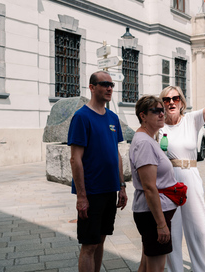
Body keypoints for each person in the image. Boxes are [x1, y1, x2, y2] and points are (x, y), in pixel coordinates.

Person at [158, 72, 205, 272]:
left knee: (198, 229)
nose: (171, 102)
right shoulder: (158, 127)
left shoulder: (191, 120)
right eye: (167, 99)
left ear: (181, 102)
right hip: (167, 183)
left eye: (175, 98)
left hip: (190, 179)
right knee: (173, 232)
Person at [68, 71, 128, 272]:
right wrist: (81, 197)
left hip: (110, 190)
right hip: (91, 192)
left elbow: (116, 154)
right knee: (89, 244)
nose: (110, 88)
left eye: (111, 84)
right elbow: (75, 159)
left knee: (101, 240)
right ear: (92, 87)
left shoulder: (112, 117)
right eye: (104, 84)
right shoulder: (81, 117)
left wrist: (122, 186)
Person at [129, 95, 178, 272]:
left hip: (153, 213)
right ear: (143, 116)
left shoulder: (148, 139)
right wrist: (161, 225)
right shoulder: (144, 143)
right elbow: (149, 187)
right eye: (156, 111)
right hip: (153, 215)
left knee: (146, 264)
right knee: (156, 268)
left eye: (162, 111)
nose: (161, 114)